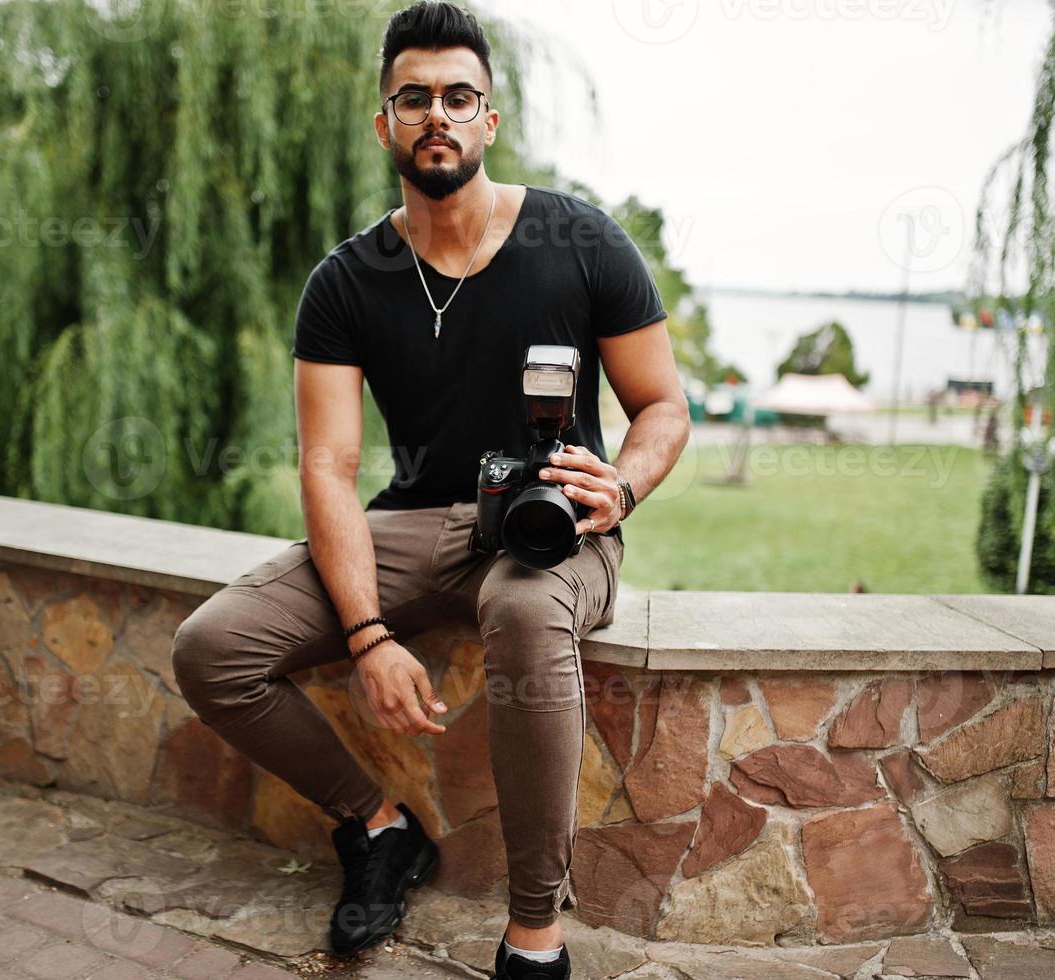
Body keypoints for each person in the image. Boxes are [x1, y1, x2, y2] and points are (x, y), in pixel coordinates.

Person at [170, 3, 689, 977]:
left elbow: (662, 404)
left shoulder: (581, 240)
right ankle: (378, 824)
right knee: (213, 648)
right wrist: (366, 632)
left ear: (491, 118)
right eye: (415, 99)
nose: (437, 115)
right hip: (411, 522)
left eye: (460, 97)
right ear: (385, 124)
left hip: (555, 528)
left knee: (530, 615)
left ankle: (535, 930)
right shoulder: (344, 282)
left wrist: (623, 482)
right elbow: (326, 465)